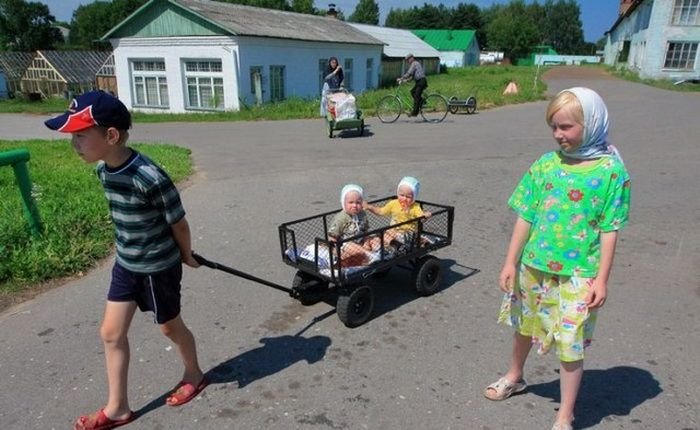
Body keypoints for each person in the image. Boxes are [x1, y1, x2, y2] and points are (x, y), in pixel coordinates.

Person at [44, 91, 208, 430]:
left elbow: (178, 223)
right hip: (126, 265)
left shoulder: (149, 177)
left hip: (158, 268)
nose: (74, 144)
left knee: (169, 327)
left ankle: (194, 373)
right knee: (110, 333)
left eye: (80, 136)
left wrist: (186, 255)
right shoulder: (104, 170)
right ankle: (117, 408)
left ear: (111, 135)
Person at [483, 87, 631, 430]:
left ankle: (565, 414)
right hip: (534, 265)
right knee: (523, 325)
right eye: (553, 126)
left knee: (570, 341)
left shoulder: (611, 172)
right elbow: (526, 214)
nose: (558, 134)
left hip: (579, 273)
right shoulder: (546, 164)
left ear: (591, 124)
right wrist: (510, 261)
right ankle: (515, 375)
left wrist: (602, 279)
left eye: (566, 127)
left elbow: (610, 229)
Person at [363, 176, 431, 249]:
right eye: (402, 195)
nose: (404, 199)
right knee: (383, 233)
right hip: (396, 231)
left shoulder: (415, 207)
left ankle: (398, 246)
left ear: (414, 197)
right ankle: (397, 244)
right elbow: (381, 212)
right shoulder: (393, 203)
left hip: (409, 233)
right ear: (397, 193)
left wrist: (425, 215)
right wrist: (369, 207)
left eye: (408, 197)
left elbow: (421, 218)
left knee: (383, 234)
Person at [328, 184, 379, 267]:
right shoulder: (340, 218)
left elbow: (365, 231)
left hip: (360, 240)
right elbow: (332, 237)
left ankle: (379, 252)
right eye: (350, 202)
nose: (354, 205)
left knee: (376, 239)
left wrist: (366, 242)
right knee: (352, 246)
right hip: (345, 245)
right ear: (343, 203)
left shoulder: (362, 214)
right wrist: (336, 252)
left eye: (358, 203)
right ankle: (371, 256)